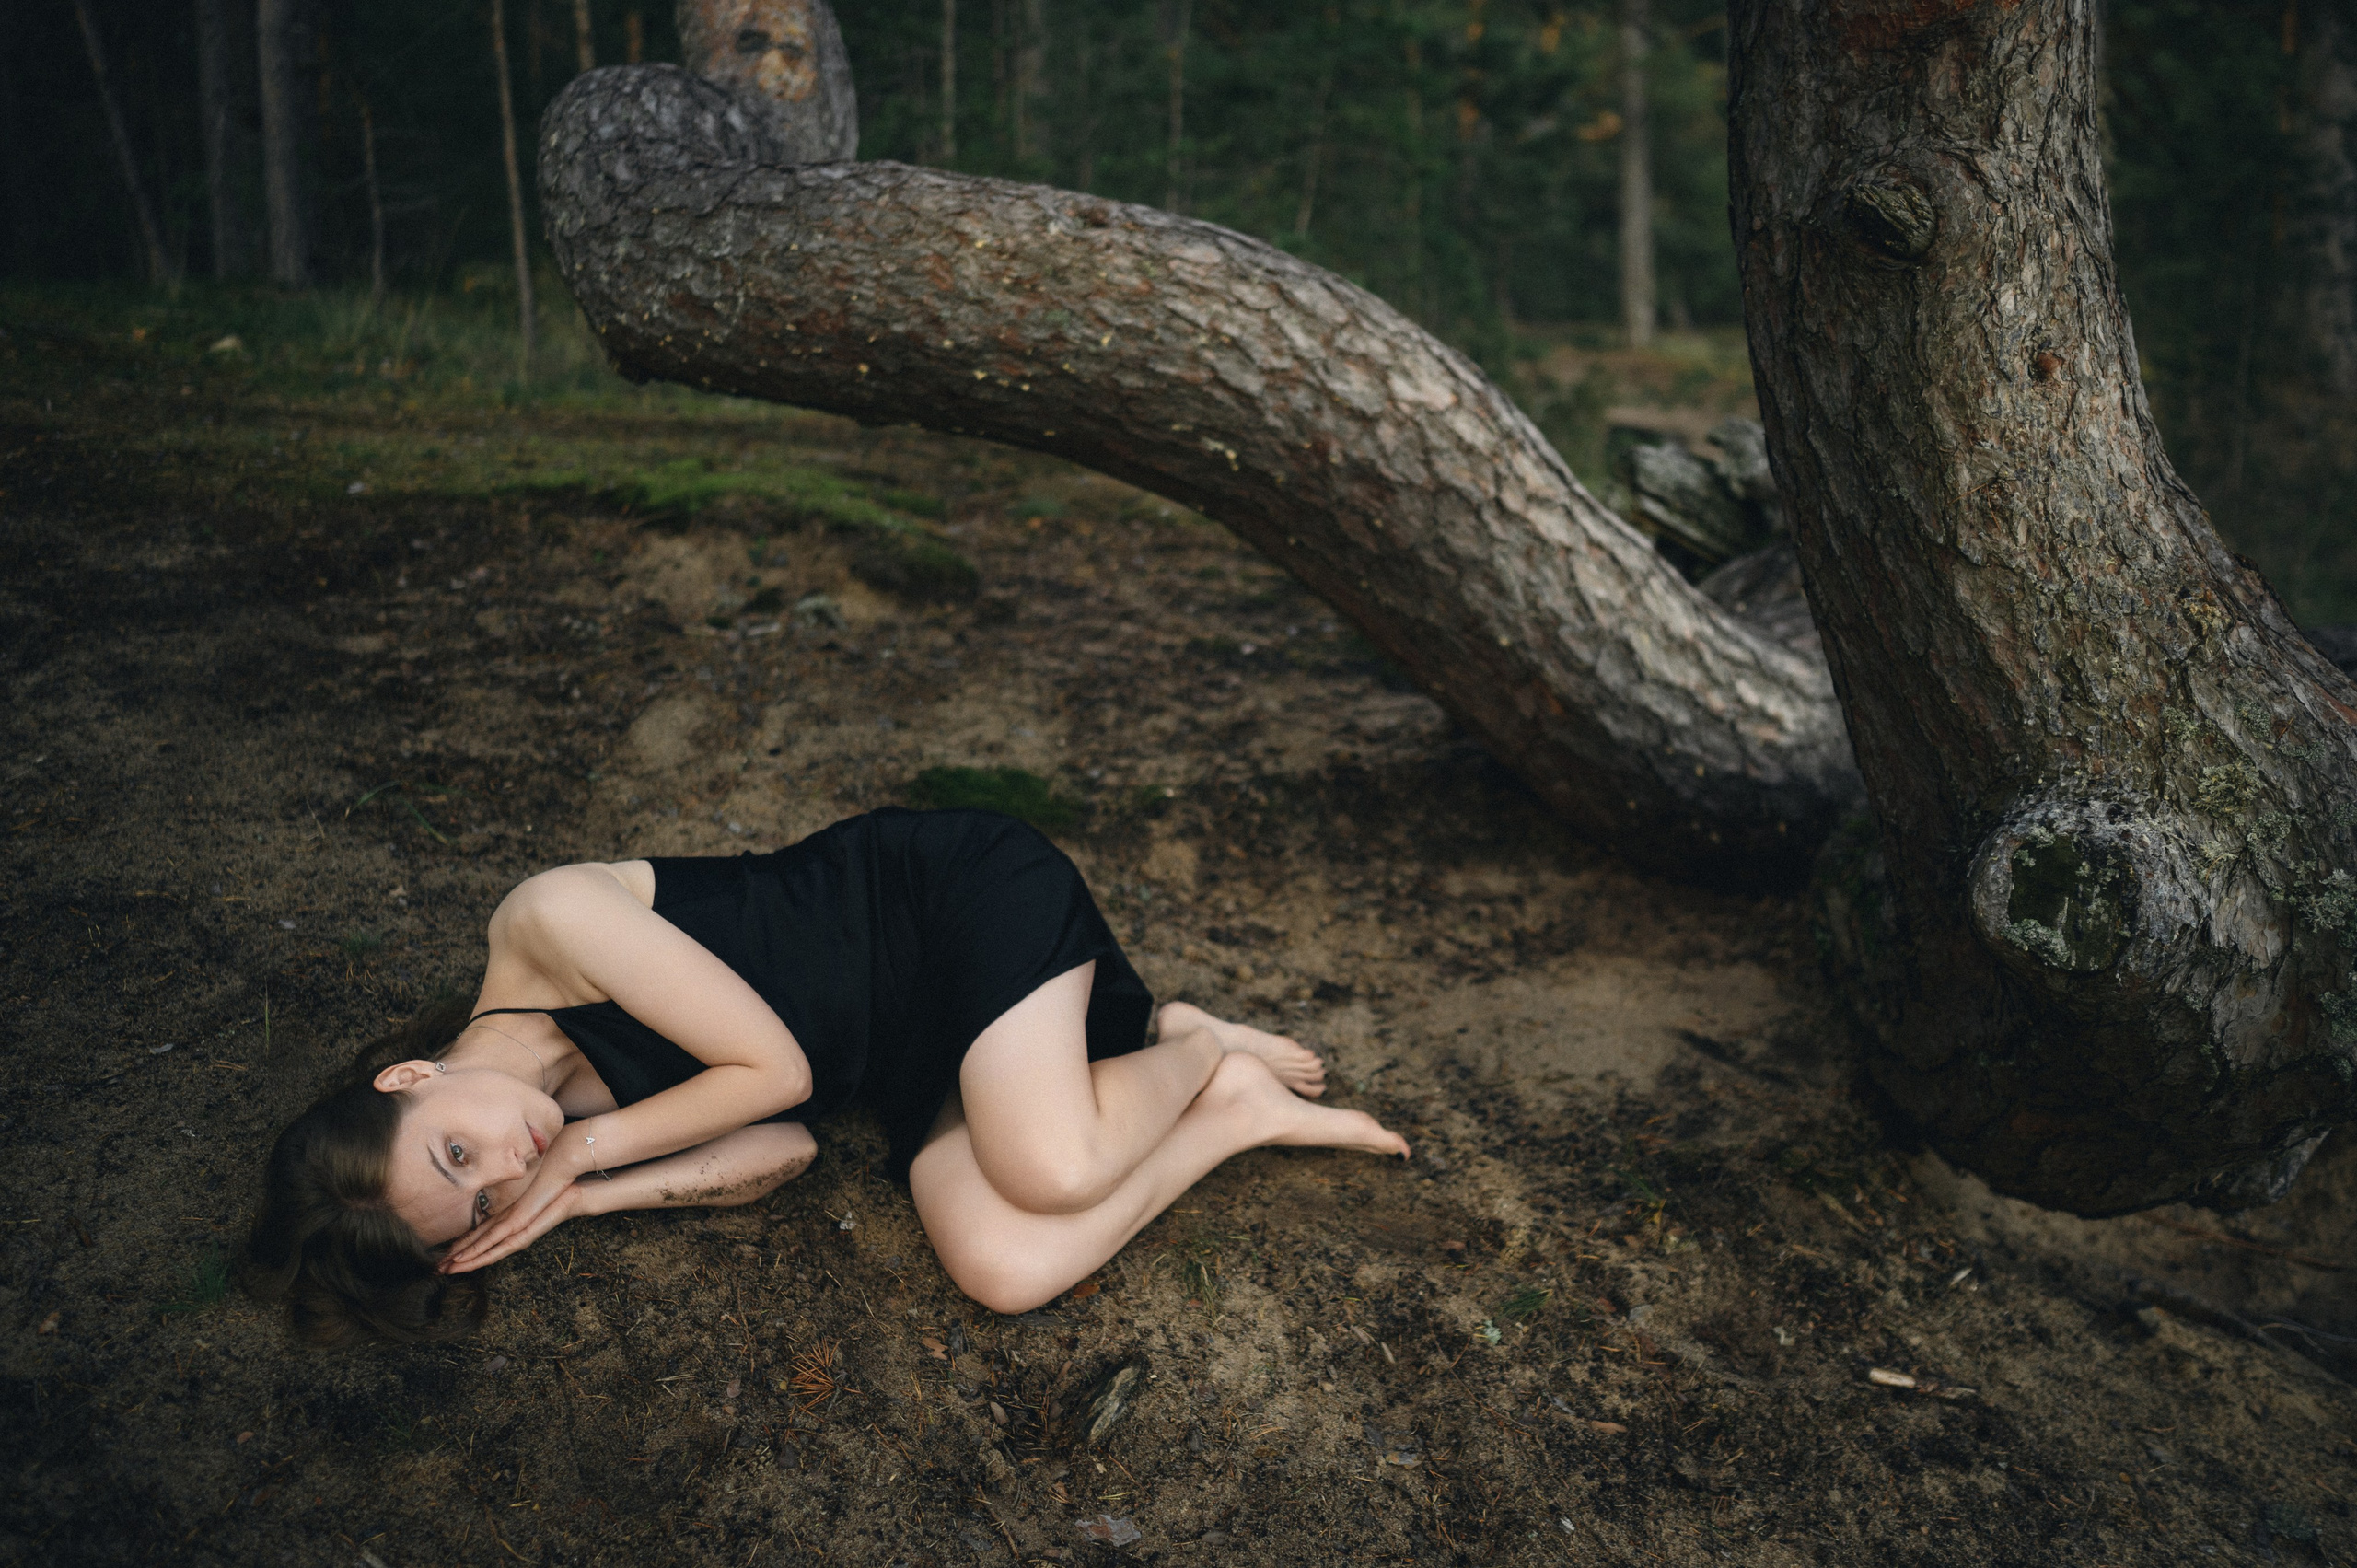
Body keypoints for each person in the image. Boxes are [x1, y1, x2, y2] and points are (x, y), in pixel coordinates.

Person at [240, 807, 1409, 1345]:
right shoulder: (557, 1124)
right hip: (913, 1054)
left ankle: (1198, 1041)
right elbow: (785, 1144)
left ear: (407, 1074)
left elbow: (776, 1068)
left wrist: (597, 1148)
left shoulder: (547, 919)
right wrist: (583, 1198)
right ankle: (1236, 1114)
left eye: (459, 1149)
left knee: (1047, 1167)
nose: (514, 1164)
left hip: (945, 905)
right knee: (1003, 1265)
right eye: (487, 1200)